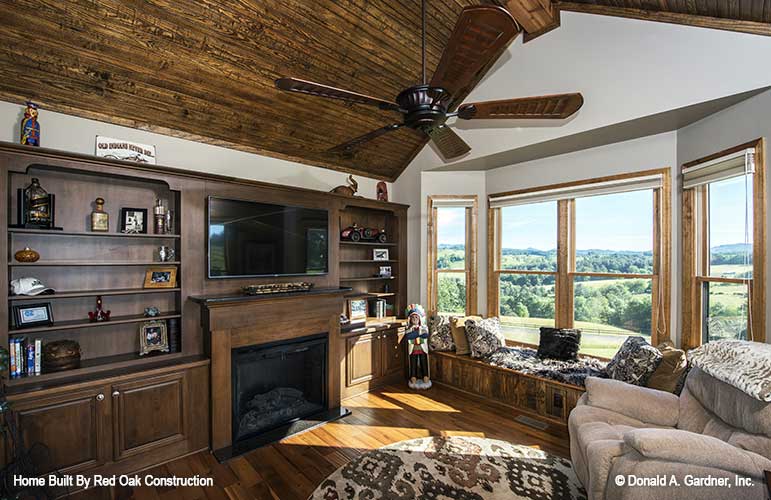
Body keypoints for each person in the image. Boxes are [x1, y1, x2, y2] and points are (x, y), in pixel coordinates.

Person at [404, 304, 431, 390]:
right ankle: (413, 376)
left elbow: (425, 335)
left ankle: (425, 376)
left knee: (424, 362)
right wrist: (418, 333)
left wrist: (417, 333)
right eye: (413, 318)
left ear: (419, 319)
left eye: (416, 318)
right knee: (413, 363)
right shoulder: (409, 328)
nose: (415, 319)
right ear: (410, 319)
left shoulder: (424, 327)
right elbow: (409, 336)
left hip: (422, 348)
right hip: (413, 348)